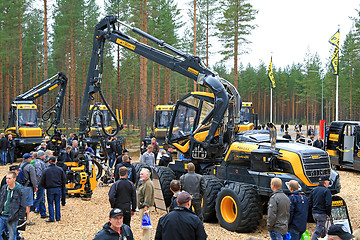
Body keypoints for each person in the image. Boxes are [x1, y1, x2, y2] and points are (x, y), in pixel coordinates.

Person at [39, 157, 66, 222]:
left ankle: (51, 218)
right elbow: (64, 179)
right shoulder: (60, 169)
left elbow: (42, 181)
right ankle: (58, 217)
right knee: (57, 203)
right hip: (58, 188)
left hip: (50, 188)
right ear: (55, 161)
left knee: (50, 203)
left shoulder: (46, 170)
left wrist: (46, 187)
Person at [0, 172, 26, 240]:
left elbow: (23, 205)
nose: (7, 180)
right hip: (2, 216)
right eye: (6, 178)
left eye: (9, 178)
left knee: (12, 236)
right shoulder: (4, 187)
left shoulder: (20, 190)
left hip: (12, 217)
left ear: (14, 179)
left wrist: (18, 216)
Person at [309, 175, 332, 240]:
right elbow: (328, 204)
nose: (328, 183)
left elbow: (310, 202)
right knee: (318, 232)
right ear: (325, 182)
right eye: (328, 181)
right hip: (322, 214)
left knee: (323, 230)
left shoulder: (314, 190)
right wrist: (328, 213)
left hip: (314, 214)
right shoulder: (326, 191)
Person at [19, 153, 38, 226]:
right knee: (28, 204)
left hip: (21, 186)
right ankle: (27, 220)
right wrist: (35, 186)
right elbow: (33, 178)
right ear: (28, 159)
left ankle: (21, 218)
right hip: (28, 187)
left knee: (22, 203)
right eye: (30, 158)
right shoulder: (30, 166)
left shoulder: (20, 165)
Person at [137, 168, 154, 240]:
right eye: (140, 174)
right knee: (147, 226)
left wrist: (145, 208)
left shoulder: (148, 184)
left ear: (147, 175)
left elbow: (148, 196)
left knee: (145, 226)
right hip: (143, 207)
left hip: (145, 208)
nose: (140, 175)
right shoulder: (145, 182)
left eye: (142, 174)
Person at [30, 150, 48, 219]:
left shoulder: (37, 162)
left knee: (42, 198)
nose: (45, 156)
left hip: (39, 182)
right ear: (40, 156)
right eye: (44, 155)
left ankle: (43, 213)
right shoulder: (38, 162)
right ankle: (29, 208)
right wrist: (42, 181)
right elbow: (39, 173)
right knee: (39, 198)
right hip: (40, 183)